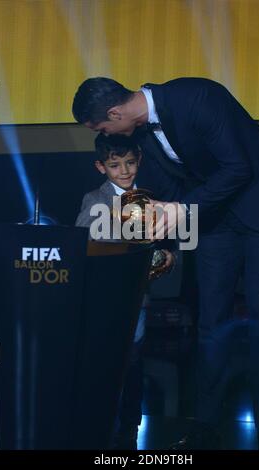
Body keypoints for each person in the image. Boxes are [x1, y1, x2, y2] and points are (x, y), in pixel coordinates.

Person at [72, 77, 259, 450]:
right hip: (214, 220)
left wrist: (184, 209)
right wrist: (170, 241)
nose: (107, 133)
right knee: (211, 318)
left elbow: (238, 167)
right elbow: (171, 191)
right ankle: (205, 424)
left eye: (102, 127)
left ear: (114, 113)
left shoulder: (197, 97)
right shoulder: (140, 135)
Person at [75, 132, 175, 450]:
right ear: (101, 167)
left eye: (130, 163)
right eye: (115, 165)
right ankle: (99, 424)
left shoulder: (154, 197)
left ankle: (130, 427)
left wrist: (167, 255)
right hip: (104, 297)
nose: (125, 170)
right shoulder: (94, 199)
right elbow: (82, 243)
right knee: (104, 363)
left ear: (139, 161)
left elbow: (170, 242)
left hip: (139, 295)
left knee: (132, 363)